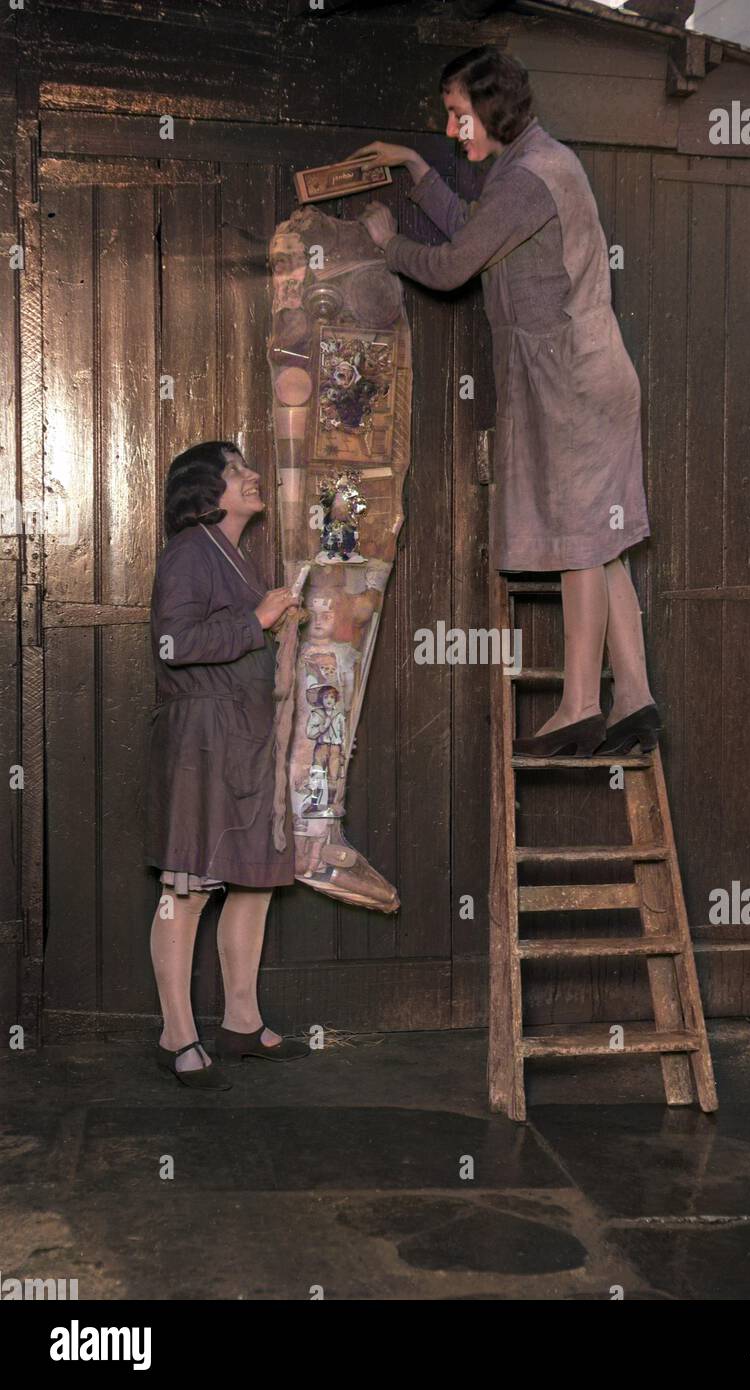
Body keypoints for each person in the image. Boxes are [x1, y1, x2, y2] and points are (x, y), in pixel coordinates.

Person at [352, 45, 660, 759]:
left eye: (458, 114)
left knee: (581, 537)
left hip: (573, 377)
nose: (454, 127)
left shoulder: (529, 179)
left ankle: (581, 705)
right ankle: (635, 695)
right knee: (604, 542)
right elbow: (478, 229)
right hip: (592, 371)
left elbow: (456, 262)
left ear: (490, 109)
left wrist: (388, 243)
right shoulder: (534, 164)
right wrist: (421, 169)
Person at [145, 441, 309, 1087]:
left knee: (252, 882)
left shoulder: (237, 557)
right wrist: (257, 617)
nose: (251, 476)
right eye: (237, 471)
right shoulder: (189, 552)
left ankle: (241, 1021)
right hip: (204, 739)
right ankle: (175, 1034)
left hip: (247, 738)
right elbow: (172, 641)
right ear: (206, 490)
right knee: (185, 893)